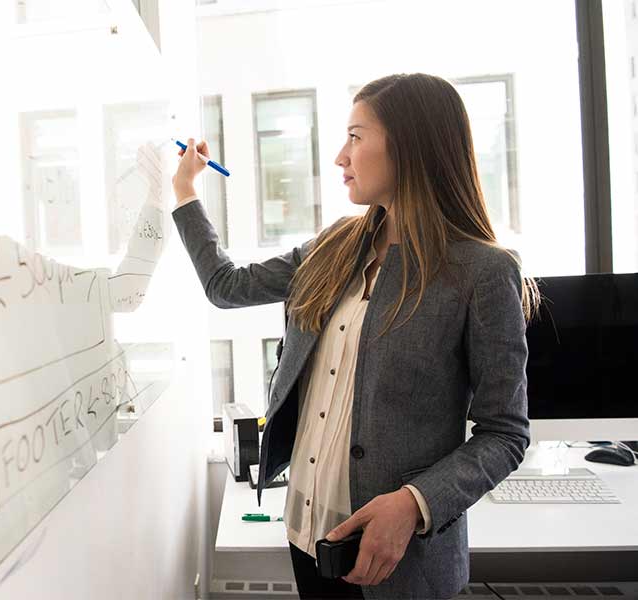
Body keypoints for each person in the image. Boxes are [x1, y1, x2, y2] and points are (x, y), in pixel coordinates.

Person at [170, 73, 539, 599]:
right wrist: (185, 191)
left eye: (356, 136)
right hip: (307, 536)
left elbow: (505, 434)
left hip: (399, 562)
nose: (341, 157)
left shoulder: (481, 271)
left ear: (409, 146)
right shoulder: (335, 246)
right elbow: (226, 286)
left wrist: (415, 503)